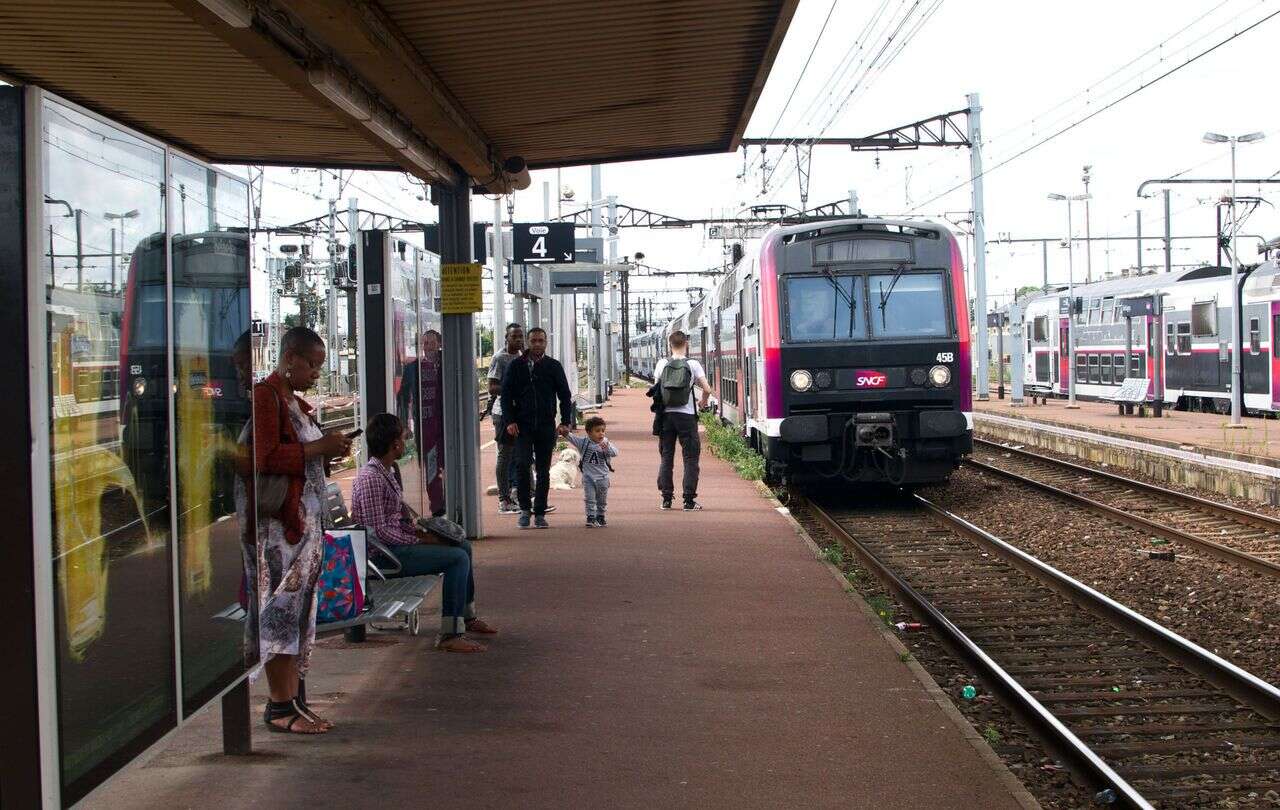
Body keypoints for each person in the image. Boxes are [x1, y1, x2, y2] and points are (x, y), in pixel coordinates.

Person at [253, 327, 352, 734]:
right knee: (280, 615)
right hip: (281, 534)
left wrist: (329, 447)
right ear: (290, 357)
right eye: (311, 364)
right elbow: (264, 456)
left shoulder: (294, 402)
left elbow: (303, 457)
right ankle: (280, 708)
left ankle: (293, 701)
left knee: (296, 616)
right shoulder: (266, 396)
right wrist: (318, 448)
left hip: (303, 530)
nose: (315, 372)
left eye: (319, 365)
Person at [351, 413, 497, 653]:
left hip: (394, 547)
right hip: (384, 556)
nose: (405, 442)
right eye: (402, 438)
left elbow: (391, 522)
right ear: (394, 444)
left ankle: (466, 617)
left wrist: (421, 533)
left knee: (464, 548)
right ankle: (450, 634)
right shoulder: (372, 479)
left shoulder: (385, 471)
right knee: (457, 559)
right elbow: (378, 532)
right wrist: (419, 539)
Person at [499, 327, 573, 529]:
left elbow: (565, 395)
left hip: (545, 426)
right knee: (522, 466)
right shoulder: (516, 366)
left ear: (546, 343)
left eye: (541, 340)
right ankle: (524, 509)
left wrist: (565, 421)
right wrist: (509, 421)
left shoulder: (553, 366)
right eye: (533, 340)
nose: (537, 344)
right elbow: (506, 395)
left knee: (543, 470)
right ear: (528, 342)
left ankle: (539, 512)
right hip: (522, 426)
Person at [653, 330, 713, 511]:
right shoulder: (693, 364)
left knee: (666, 457)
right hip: (686, 417)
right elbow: (707, 389)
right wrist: (702, 402)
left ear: (670, 345)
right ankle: (688, 500)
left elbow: (656, 390)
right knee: (690, 458)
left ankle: (666, 499)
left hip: (666, 417)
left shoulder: (662, 364)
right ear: (686, 344)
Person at [397, 330, 446, 516]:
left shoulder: (447, 364)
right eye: (425, 343)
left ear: (439, 344)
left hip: (446, 425)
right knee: (431, 466)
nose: (428, 347)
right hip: (425, 427)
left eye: (431, 343)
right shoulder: (413, 368)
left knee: (447, 463)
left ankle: (449, 500)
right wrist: (403, 425)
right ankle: (437, 507)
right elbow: (402, 397)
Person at [487, 323, 524, 514]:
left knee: (521, 455)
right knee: (505, 455)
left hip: (519, 414)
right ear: (506, 338)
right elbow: (492, 387)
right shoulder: (500, 357)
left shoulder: (522, 357)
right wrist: (514, 391)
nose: (518, 340)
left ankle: (521, 494)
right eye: (514, 337)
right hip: (503, 414)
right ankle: (504, 499)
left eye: (520, 336)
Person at [566, 415, 618, 528]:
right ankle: (591, 516)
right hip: (588, 477)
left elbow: (615, 453)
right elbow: (572, 438)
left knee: (602, 500)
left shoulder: (605, 443)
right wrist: (565, 432)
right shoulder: (584, 443)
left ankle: (601, 516)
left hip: (603, 478)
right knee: (589, 498)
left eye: (603, 431)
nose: (601, 434)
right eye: (597, 431)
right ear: (589, 432)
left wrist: (607, 448)